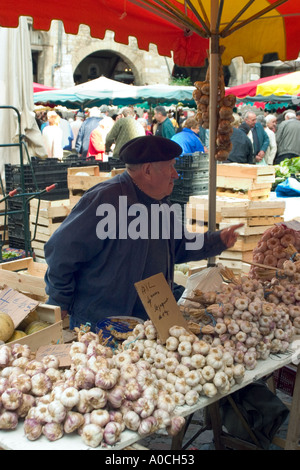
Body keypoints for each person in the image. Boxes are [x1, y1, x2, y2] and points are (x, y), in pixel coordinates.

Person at [44, 135, 243, 331]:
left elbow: (179, 247)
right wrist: (59, 299)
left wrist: (217, 241)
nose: (175, 174)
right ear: (148, 170)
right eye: (170, 167)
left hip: (149, 320)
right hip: (101, 322)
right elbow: (61, 250)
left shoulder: (161, 203)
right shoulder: (106, 199)